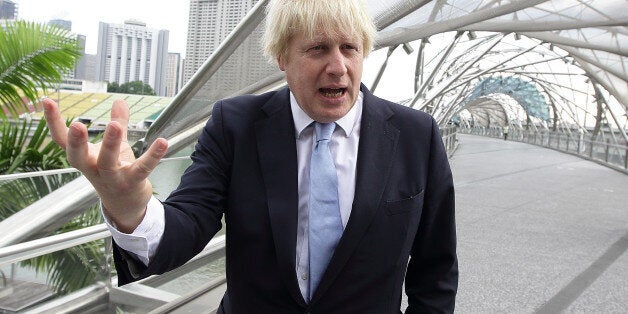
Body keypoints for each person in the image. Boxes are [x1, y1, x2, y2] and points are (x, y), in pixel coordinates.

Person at [43, 0, 457, 312]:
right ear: (282, 58)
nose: (338, 66)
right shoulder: (235, 125)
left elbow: (435, 270)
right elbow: (187, 226)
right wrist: (129, 206)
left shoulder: (414, 135)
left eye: (350, 48)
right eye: (317, 49)